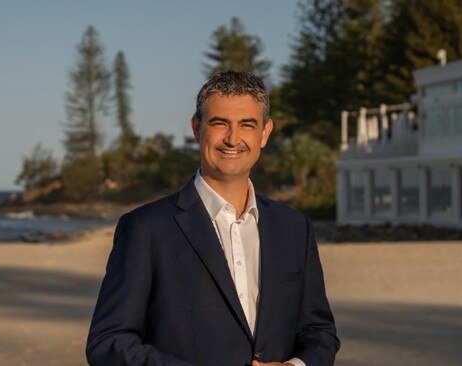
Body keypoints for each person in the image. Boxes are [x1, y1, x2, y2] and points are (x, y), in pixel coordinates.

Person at [86, 70, 339, 366]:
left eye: (247, 125)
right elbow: (108, 342)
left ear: (265, 133)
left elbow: (319, 333)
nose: (233, 138)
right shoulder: (145, 229)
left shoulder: (294, 228)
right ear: (197, 129)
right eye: (220, 123)